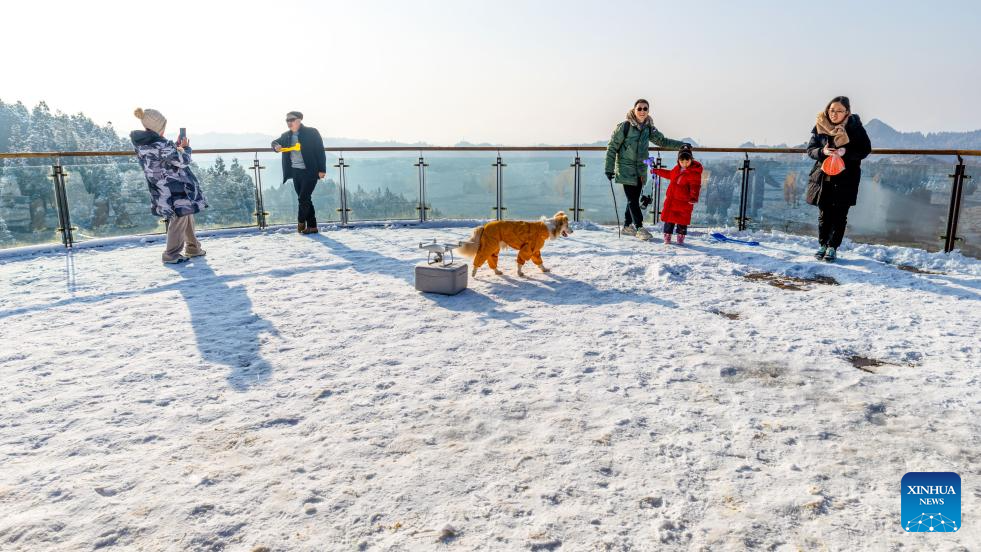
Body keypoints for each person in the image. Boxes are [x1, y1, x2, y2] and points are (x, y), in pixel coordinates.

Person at [131, 107, 207, 264]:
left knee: (186, 213)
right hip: (174, 187)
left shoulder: (143, 144)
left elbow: (164, 158)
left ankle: (193, 248)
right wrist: (185, 148)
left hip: (160, 186)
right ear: (158, 127)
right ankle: (171, 254)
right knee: (179, 217)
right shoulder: (160, 144)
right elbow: (182, 160)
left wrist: (175, 148)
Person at [605, 99, 688, 240]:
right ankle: (640, 228)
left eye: (645, 109)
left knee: (634, 199)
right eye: (639, 108)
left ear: (648, 111)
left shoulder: (648, 128)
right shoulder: (624, 127)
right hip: (626, 168)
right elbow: (612, 147)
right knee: (632, 199)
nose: (642, 111)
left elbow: (663, 141)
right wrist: (609, 168)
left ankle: (626, 226)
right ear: (634, 110)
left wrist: (682, 145)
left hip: (640, 169)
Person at [805, 96, 872, 262]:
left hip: (845, 178)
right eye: (831, 110)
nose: (834, 114)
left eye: (839, 111)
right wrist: (823, 152)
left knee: (840, 215)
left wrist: (845, 153)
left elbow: (865, 150)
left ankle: (833, 247)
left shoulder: (855, 128)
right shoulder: (820, 125)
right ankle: (822, 245)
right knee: (824, 214)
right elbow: (811, 150)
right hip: (823, 177)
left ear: (847, 113)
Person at [271, 111, 326, 234]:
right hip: (295, 172)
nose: (289, 122)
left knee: (303, 198)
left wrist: (322, 169)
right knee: (306, 199)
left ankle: (301, 221)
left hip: (311, 171)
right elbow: (274, 142)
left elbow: (320, 151)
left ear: (299, 120)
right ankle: (313, 226)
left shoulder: (312, 132)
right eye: (287, 120)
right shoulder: (286, 135)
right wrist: (276, 146)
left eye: (292, 119)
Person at [652, 145, 703, 245]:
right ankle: (667, 235)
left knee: (682, 220)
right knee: (669, 219)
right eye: (682, 161)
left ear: (691, 160)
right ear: (678, 161)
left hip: (684, 202)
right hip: (672, 200)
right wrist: (656, 171)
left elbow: (695, 186)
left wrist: (693, 197)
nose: (684, 164)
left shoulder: (694, 173)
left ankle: (681, 236)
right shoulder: (677, 169)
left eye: (687, 161)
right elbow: (669, 174)